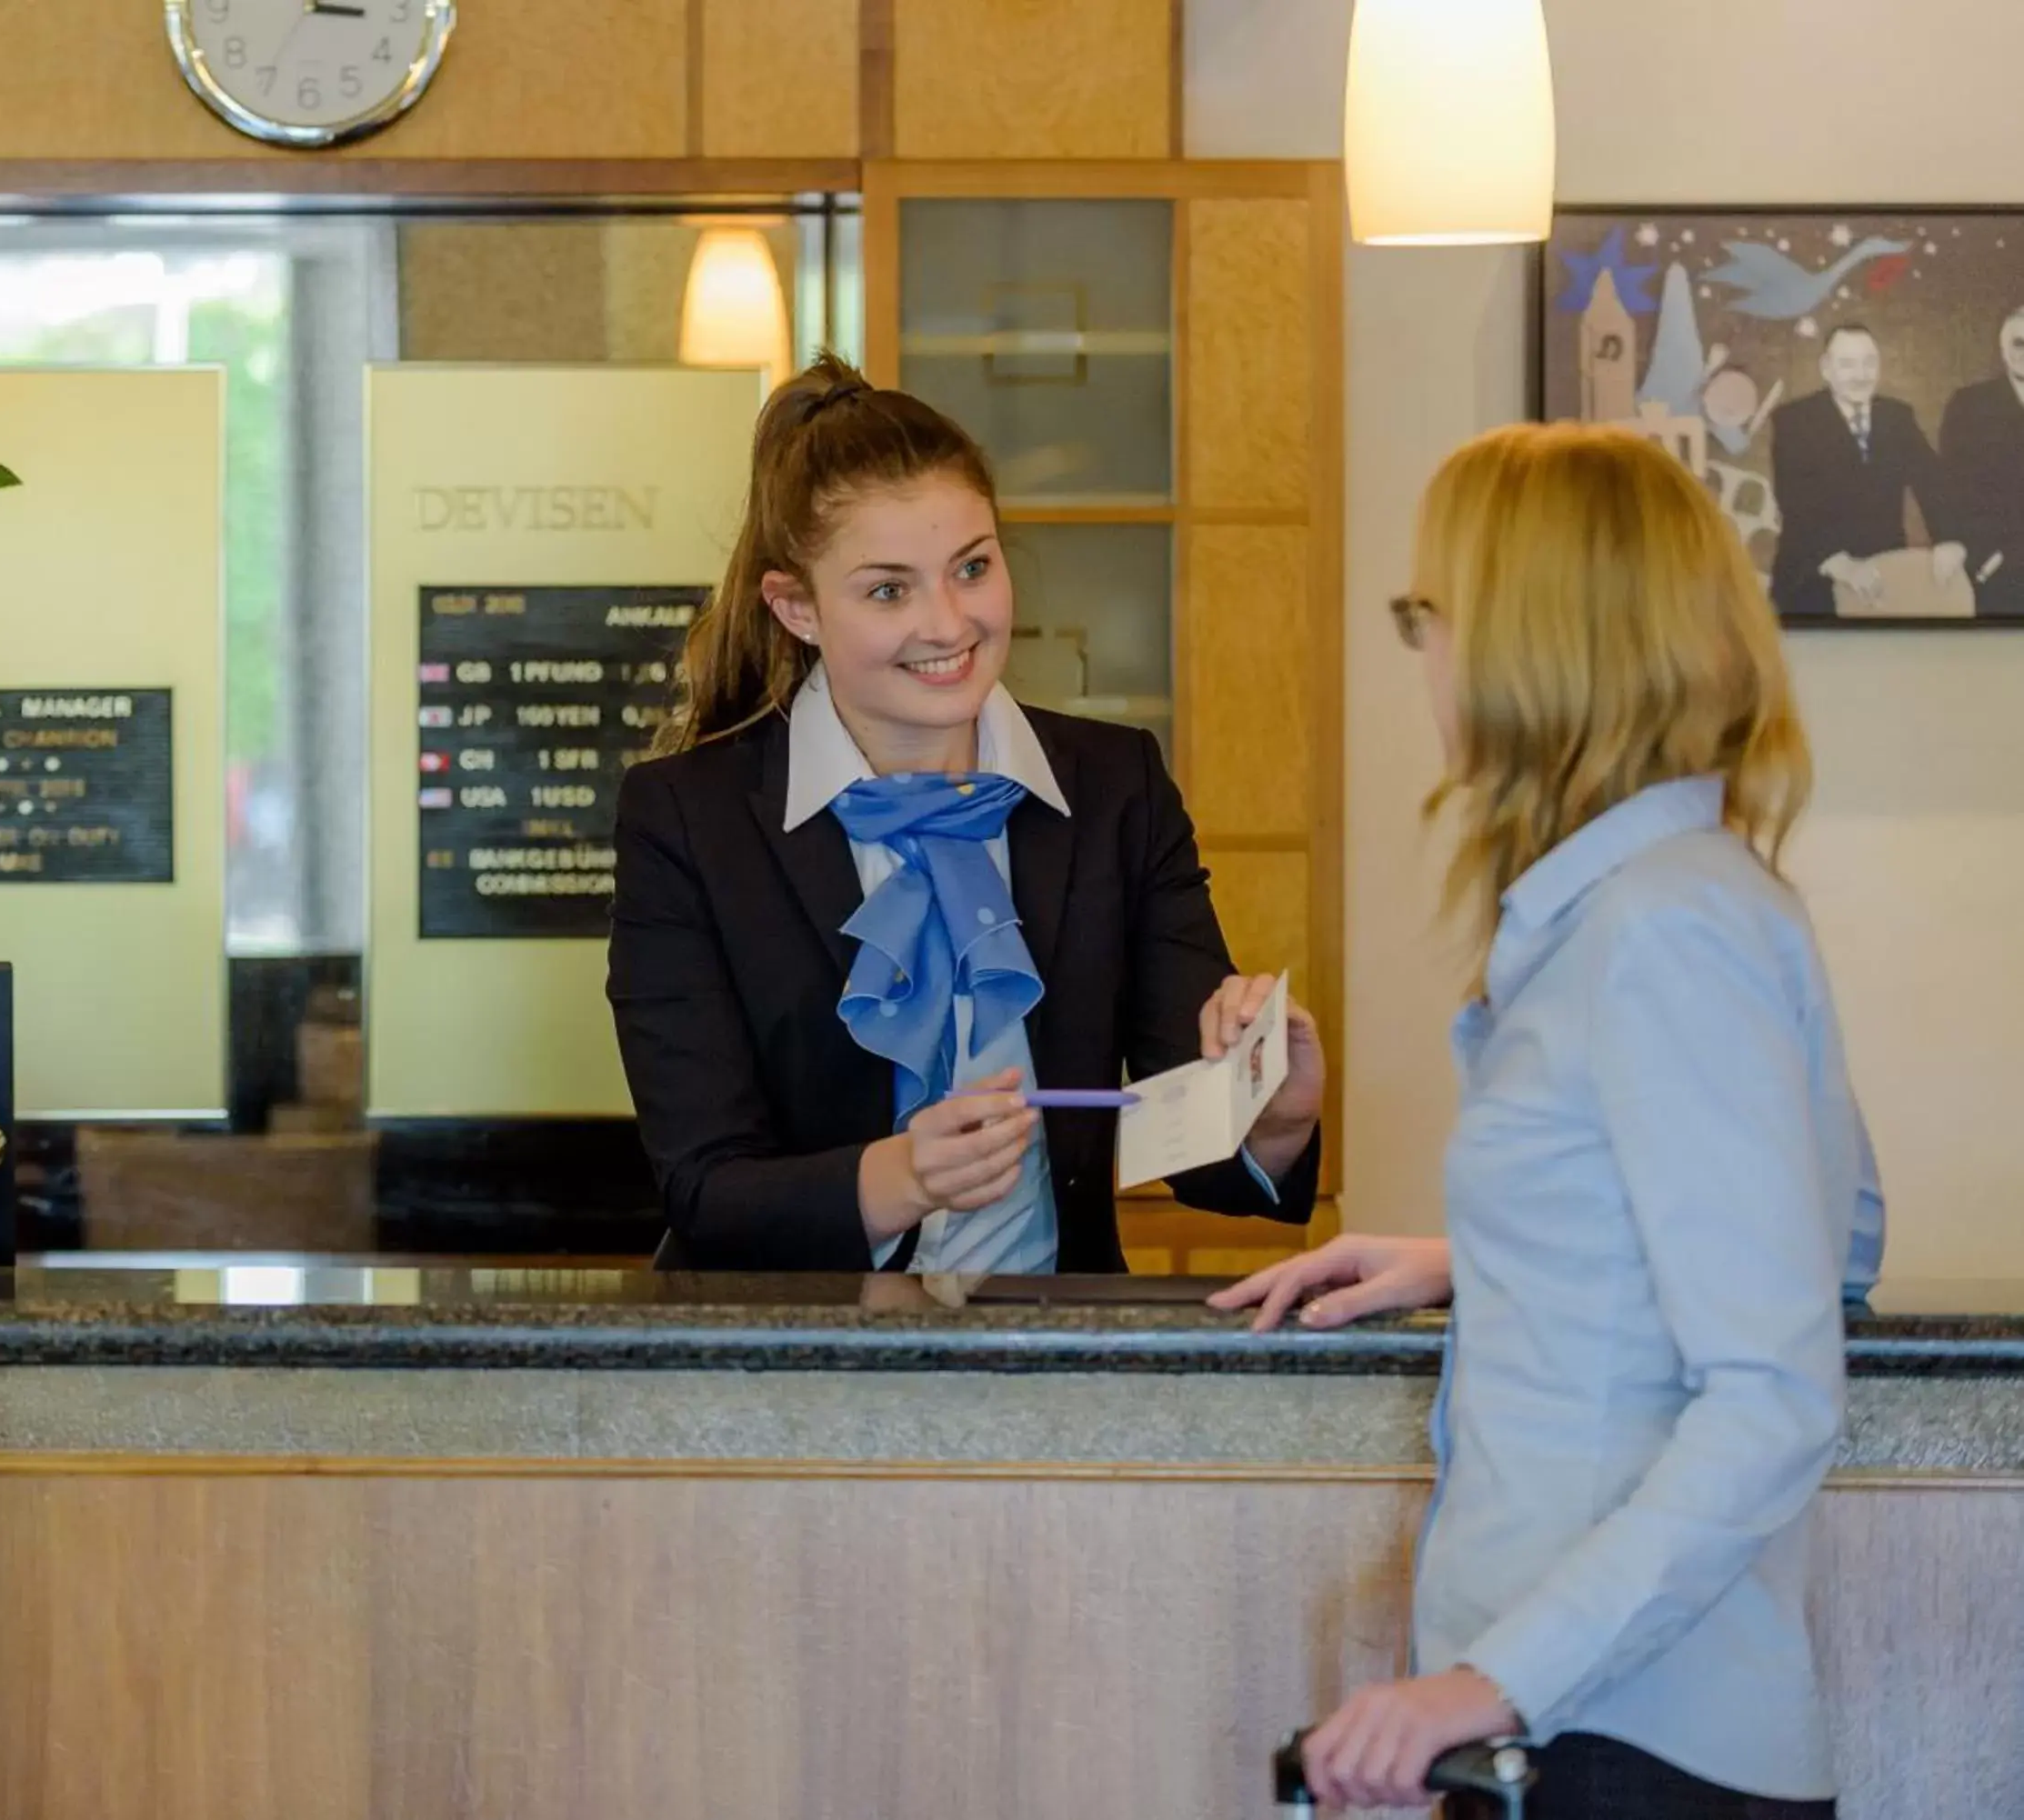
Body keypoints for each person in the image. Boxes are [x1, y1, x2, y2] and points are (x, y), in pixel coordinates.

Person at [1215, 423, 1886, 1817]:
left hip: (1622, 1738)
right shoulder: (1693, 897)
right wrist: (1498, 1258)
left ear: (1529, 639)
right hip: (1598, 1731)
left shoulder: (1667, 926)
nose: (1426, 657)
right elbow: (1836, 1235)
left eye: (1430, 614)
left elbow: (1775, 1391)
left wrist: (1489, 1683)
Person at [606, 353, 1326, 1273]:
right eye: (888, 589)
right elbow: (706, 1190)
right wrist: (903, 1175)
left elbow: (1177, 1131)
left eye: (972, 568)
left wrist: (1273, 1113)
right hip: (782, 1376)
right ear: (796, 608)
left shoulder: (1114, 789)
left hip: (1043, 1372)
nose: (948, 625)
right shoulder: (688, 820)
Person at [1768, 322, 1963, 617]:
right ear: (1826, 368)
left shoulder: (1896, 416)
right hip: (1812, 577)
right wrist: (1841, 564)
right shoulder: (1793, 421)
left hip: (1884, 575)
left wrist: (1949, 539)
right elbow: (1795, 502)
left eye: (1869, 363)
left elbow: (1932, 482)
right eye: (1847, 364)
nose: (1860, 375)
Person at [1936, 306, 2024, 615]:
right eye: (2018, 343)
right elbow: (1951, 486)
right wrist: (1991, 556)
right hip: (1994, 570)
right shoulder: (1970, 405)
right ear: (2003, 350)